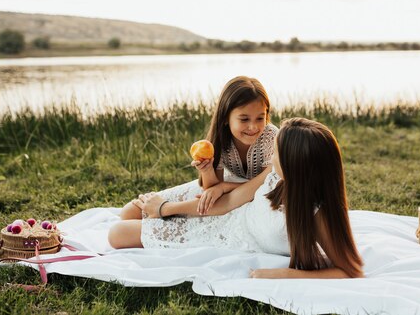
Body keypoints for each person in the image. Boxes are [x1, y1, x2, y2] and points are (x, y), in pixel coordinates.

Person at [108, 118, 364, 279]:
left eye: (275, 152)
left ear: (296, 164)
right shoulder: (277, 176)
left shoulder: (316, 212)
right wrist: (166, 209)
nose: (270, 158)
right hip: (227, 217)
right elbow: (230, 203)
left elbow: (349, 270)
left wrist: (286, 274)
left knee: (117, 233)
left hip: (229, 238)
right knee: (127, 214)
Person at [119, 76, 278, 219]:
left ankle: (167, 215)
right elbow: (211, 188)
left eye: (260, 118)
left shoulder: (272, 138)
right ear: (225, 118)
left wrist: (223, 187)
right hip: (230, 190)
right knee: (129, 212)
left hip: (261, 195)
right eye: (244, 119)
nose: (253, 126)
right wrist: (207, 170)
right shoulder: (221, 140)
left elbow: (264, 186)